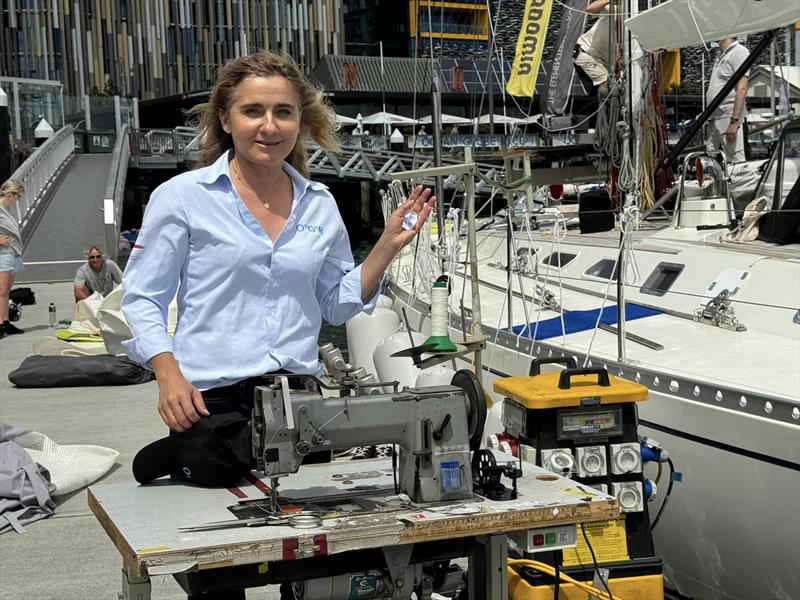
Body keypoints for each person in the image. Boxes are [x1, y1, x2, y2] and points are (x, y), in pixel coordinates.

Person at [121, 51, 434, 465]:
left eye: (283, 112)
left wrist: (387, 246)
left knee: (307, 515)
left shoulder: (319, 204)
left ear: (299, 122)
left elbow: (335, 306)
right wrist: (167, 374)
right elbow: (144, 298)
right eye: (253, 111)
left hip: (300, 399)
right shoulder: (182, 197)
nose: (269, 126)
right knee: (218, 493)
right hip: (210, 399)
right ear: (226, 119)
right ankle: (165, 458)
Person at [705, 37, 750, 163]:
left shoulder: (739, 52)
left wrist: (734, 122)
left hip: (728, 116)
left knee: (736, 162)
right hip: (713, 118)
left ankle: (738, 183)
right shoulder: (721, 56)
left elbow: (742, 89)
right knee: (710, 161)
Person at [0, 180, 25, 339]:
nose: (17, 201)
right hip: (3, 253)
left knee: (6, 291)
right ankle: (0, 324)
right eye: (17, 197)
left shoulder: (6, 209)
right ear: (10, 194)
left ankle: (5, 320)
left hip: (13, 252)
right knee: (1, 291)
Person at [573, 0, 612, 98]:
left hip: (602, 60)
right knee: (608, 88)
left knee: (614, 86)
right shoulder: (614, 10)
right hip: (587, 54)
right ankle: (609, 111)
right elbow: (590, 9)